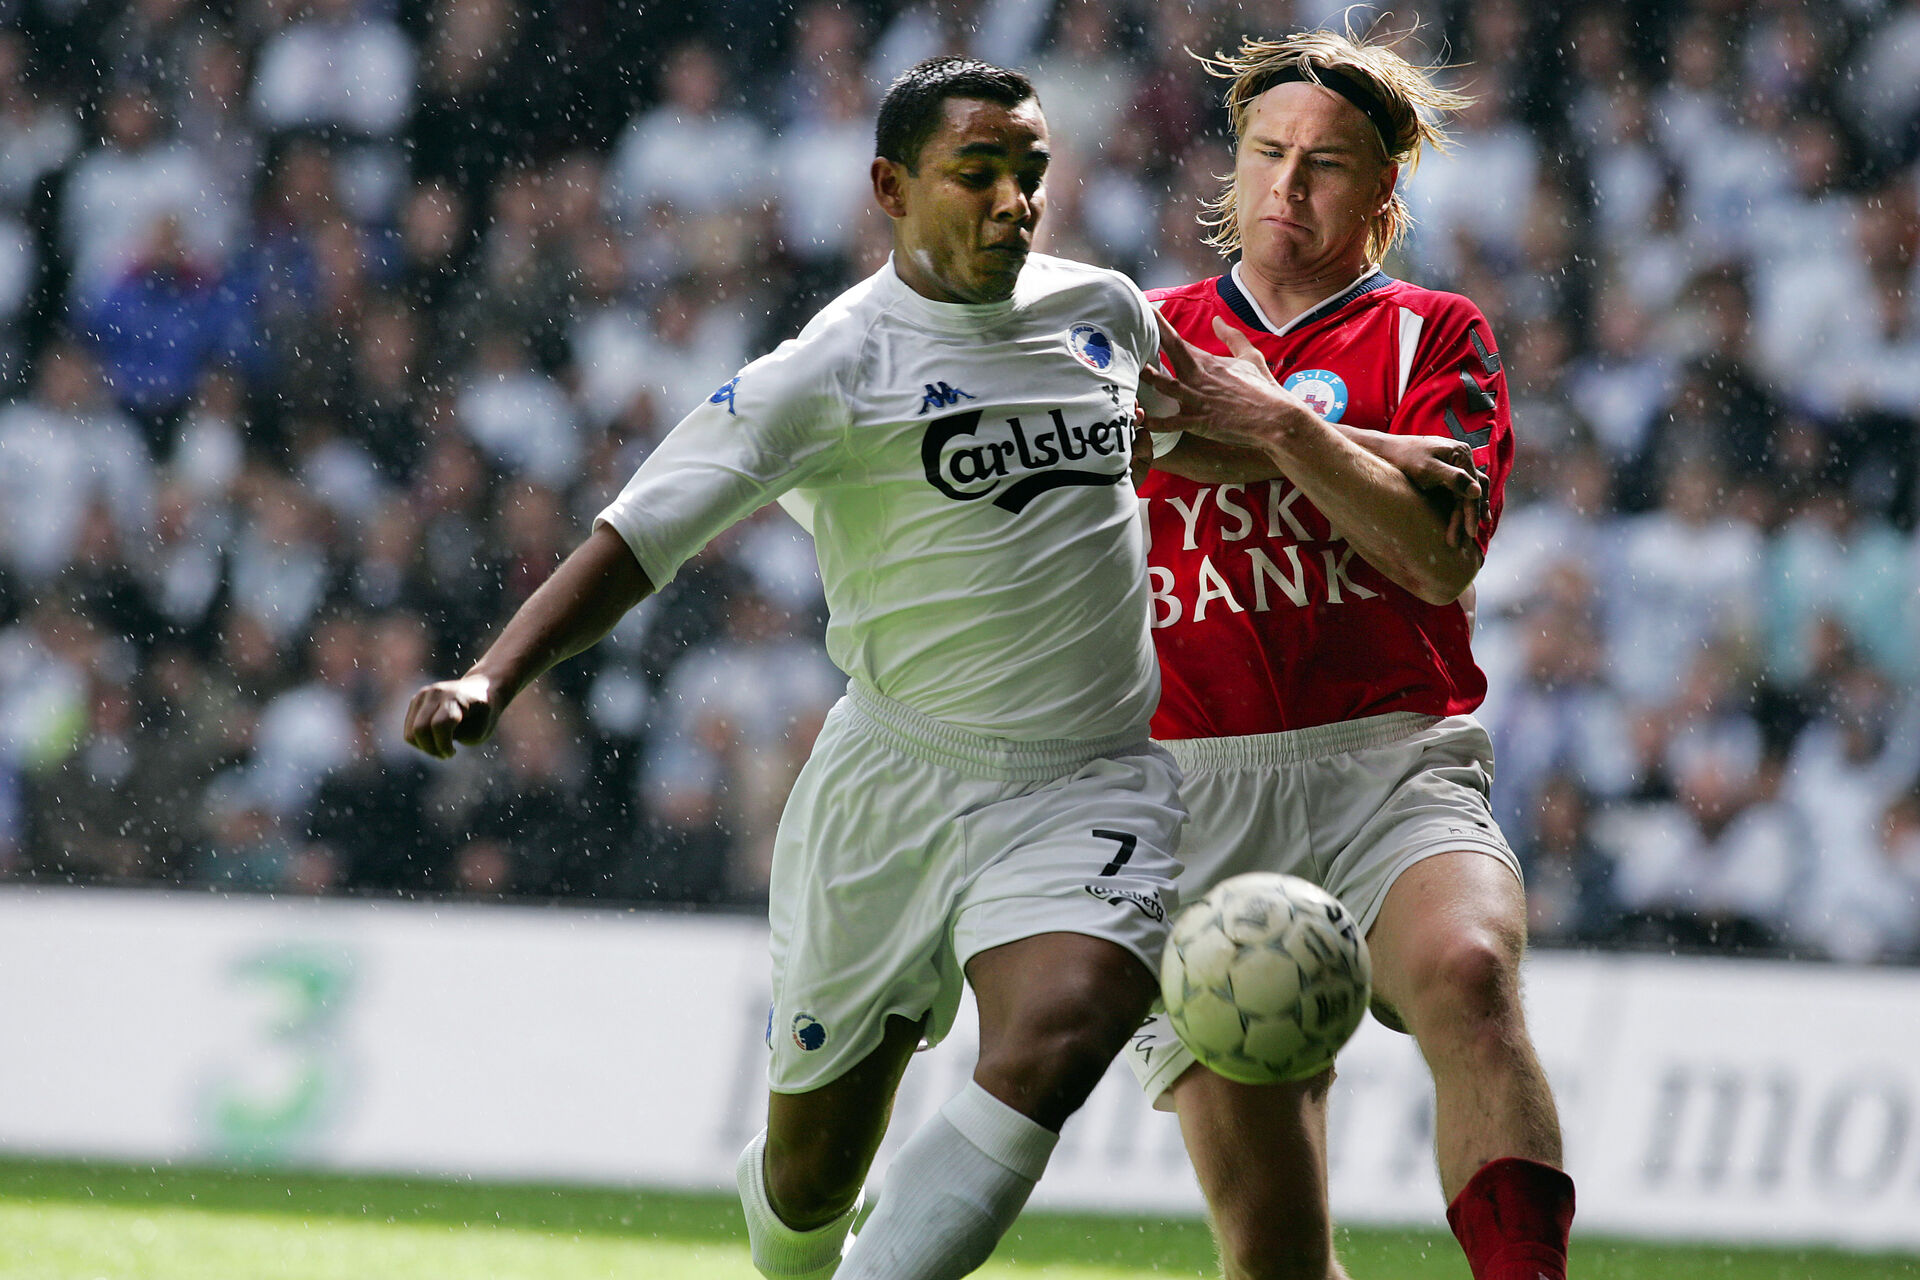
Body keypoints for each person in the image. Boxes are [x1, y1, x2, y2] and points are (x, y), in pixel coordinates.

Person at [404, 57, 1190, 1280]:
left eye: (1028, 173)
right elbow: (640, 530)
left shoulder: (1107, 313)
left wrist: (1374, 453)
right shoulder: (831, 367)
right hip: (893, 785)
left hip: (1091, 779)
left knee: (1064, 1025)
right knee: (809, 1179)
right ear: (891, 185)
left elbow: (1225, 435)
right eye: (974, 173)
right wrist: (494, 679)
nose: (1011, 200)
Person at [1126, 30, 1576, 1280]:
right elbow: (1141, 450)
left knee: (1471, 971)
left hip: (1391, 756)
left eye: (1326, 164)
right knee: (1274, 1253)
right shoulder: (1143, 331)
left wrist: (1268, 421)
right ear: (1233, 163)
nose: (1289, 186)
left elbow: (1436, 562)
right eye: (1268, 152)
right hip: (1192, 789)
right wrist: (1368, 454)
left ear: (1384, 194)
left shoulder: (1440, 334)